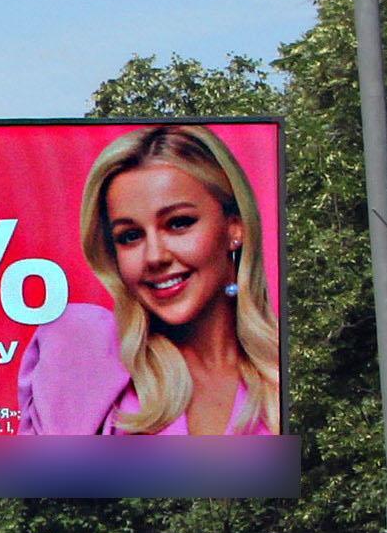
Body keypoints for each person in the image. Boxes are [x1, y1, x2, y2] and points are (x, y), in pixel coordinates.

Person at [17, 123, 284, 438]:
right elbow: (51, 479)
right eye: (130, 236)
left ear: (234, 229)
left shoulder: (282, 369)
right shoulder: (84, 343)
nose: (154, 256)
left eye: (178, 223)